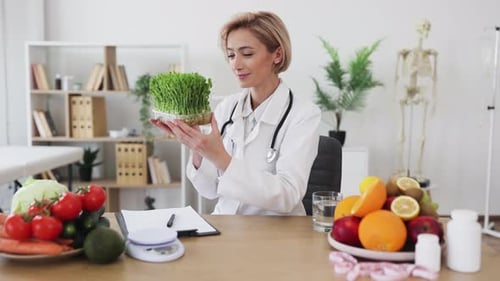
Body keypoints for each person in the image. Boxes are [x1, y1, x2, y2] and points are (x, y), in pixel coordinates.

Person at [151, 11, 321, 215]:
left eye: (247, 54)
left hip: (276, 234)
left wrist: (221, 157)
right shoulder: (227, 108)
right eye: (231, 55)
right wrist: (196, 147)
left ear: (277, 54)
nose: (236, 64)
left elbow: (288, 195)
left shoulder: (303, 114)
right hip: (227, 226)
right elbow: (209, 190)